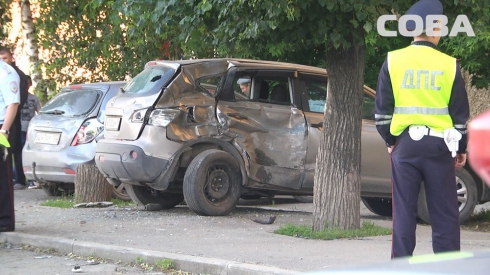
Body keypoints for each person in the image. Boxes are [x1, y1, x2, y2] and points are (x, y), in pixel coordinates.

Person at [374, 0, 469, 258]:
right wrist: (460, 147)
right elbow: (459, 116)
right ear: (435, 28)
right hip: (439, 147)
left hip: (404, 147)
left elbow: (382, 113)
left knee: (404, 213)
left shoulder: (393, 61)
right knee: (445, 215)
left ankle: (401, 268)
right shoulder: (449, 65)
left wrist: (391, 140)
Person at [0, 48, 28, 190]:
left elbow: (17, 100)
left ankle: (19, 178)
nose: (3, 60)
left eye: (5, 58)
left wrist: (5, 129)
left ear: (12, 57)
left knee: (15, 149)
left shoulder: (13, 74)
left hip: (9, 120)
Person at [0, 59, 20, 232]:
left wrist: (4, 131)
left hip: (1, 128)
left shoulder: (6, 73)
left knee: (3, 176)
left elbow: (12, 103)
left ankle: (5, 221)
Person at [20, 76, 41, 189]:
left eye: (28, 83)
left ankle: (31, 179)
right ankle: (19, 177)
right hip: (20, 129)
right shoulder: (17, 97)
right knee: (20, 154)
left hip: (30, 129)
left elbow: (39, 111)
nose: (26, 86)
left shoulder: (34, 98)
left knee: (28, 154)